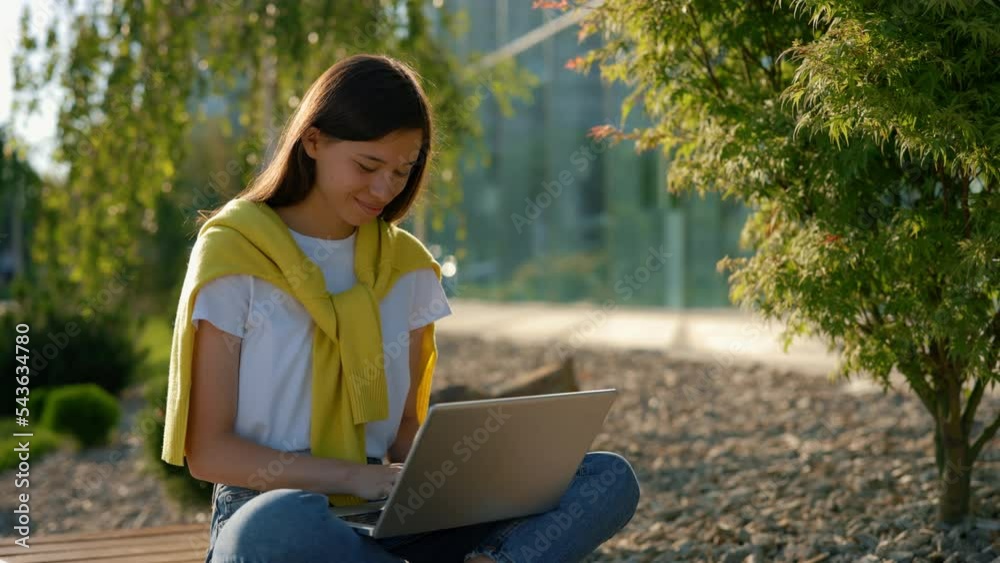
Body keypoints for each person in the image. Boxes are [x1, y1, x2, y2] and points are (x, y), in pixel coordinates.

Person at [161, 54, 640, 563]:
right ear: (314, 141)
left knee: (606, 478)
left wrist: (482, 472)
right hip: (270, 510)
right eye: (368, 166)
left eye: (402, 171)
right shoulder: (234, 255)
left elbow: (405, 437)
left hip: (390, 514)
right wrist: (351, 477)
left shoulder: (406, 269)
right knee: (274, 527)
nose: (384, 189)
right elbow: (209, 451)